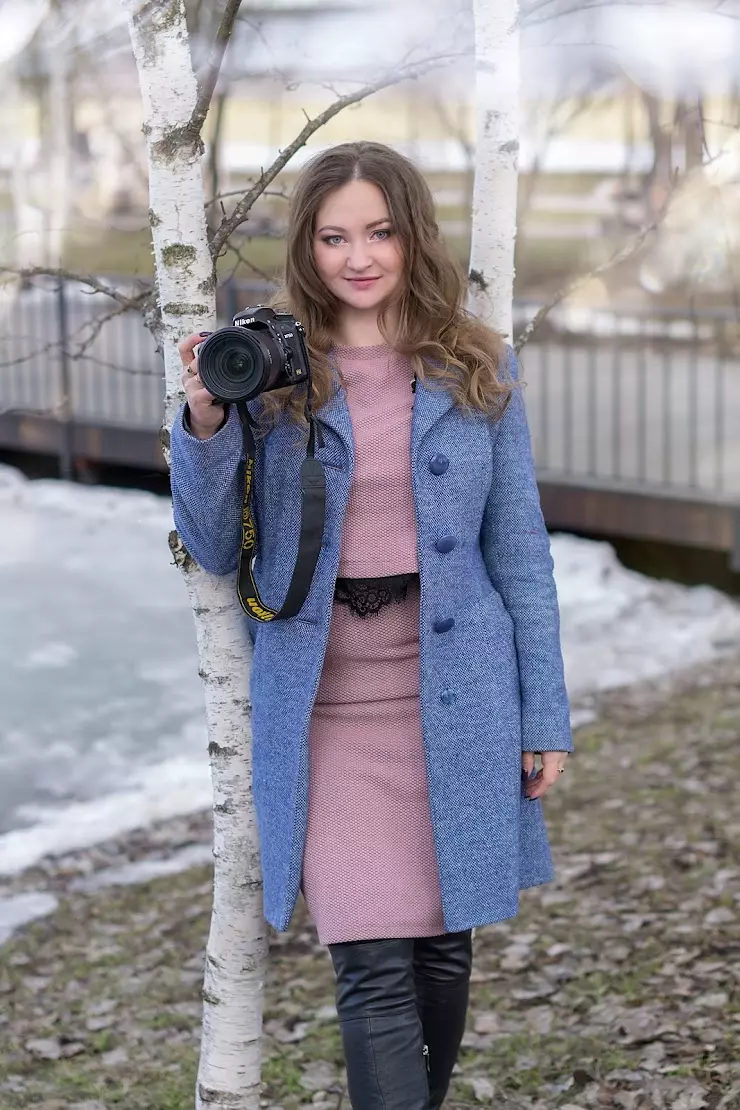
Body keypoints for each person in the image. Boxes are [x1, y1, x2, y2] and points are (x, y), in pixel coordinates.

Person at [170, 140, 572, 1110]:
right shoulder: (268, 378)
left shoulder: (473, 368)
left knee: (440, 952)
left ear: (411, 238)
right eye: (334, 235)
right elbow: (217, 548)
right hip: (328, 711)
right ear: (306, 248)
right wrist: (208, 426)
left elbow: (518, 552)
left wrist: (542, 714)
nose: (359, 256)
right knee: (371, 965)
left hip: (458, 696)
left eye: (380, 232)